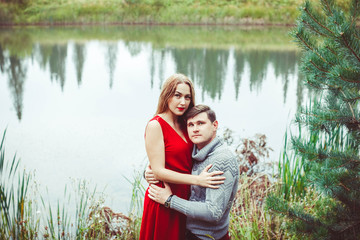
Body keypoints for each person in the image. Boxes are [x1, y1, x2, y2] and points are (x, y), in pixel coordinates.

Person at [139, 74, 226, 240]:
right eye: (177, 95)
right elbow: (157, 171)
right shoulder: (155, 125)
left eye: (187, 97)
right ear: (167, 95)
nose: (183, 102)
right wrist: (197, 180)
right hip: (164, 195)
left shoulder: (187, 123)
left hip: (185, 199)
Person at [146, 104, 239, 240]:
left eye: (200, 123)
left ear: (215, 125)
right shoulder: (196, 152)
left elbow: (213, 212)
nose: (195, 129)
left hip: (207, 237)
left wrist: (170, 200)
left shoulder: (221, 159)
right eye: (190, 125)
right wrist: (150, 172)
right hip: (188, 231)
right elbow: (168, 165)